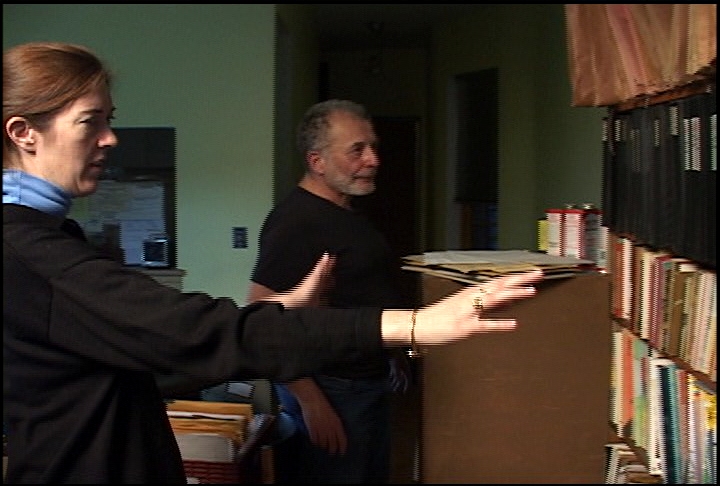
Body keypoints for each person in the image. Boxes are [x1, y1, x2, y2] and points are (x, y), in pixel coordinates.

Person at [2, 41, 542, 484]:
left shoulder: (51, 235)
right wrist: (413, 325)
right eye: (90, 121)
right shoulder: (27, 249)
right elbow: (184, 329)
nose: (109, 138)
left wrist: (281, 306)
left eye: (109, 119)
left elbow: (154, 352)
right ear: (24, 133)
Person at [243, 100, 410, 482]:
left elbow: (361, 290)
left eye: (373, 147)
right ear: (317, 161)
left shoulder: (345, 212)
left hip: (366, 383)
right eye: (357, 150)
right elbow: (260, 320)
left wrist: (393, 350)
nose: (373, 160)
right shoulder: (296, 222)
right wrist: (311, 400)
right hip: (333, 392)